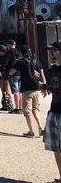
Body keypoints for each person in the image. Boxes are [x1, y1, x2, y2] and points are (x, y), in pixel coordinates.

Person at [9, 45, 45, 137]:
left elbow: (11, 72)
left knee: (27, 111)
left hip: (26, 89)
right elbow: (42, 74)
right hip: (36, 88)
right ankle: (41, 127)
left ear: (21, 52)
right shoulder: (36, 60)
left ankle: (31, 132)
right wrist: (44, 86)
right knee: (35, 109)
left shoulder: (21, 62)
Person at [42, 42, 61, 183]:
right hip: (54, 111)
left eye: (54, 50)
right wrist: (46, 87)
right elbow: (54, 87)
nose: (52, 53)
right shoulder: (53, 69)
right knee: (56, 147)